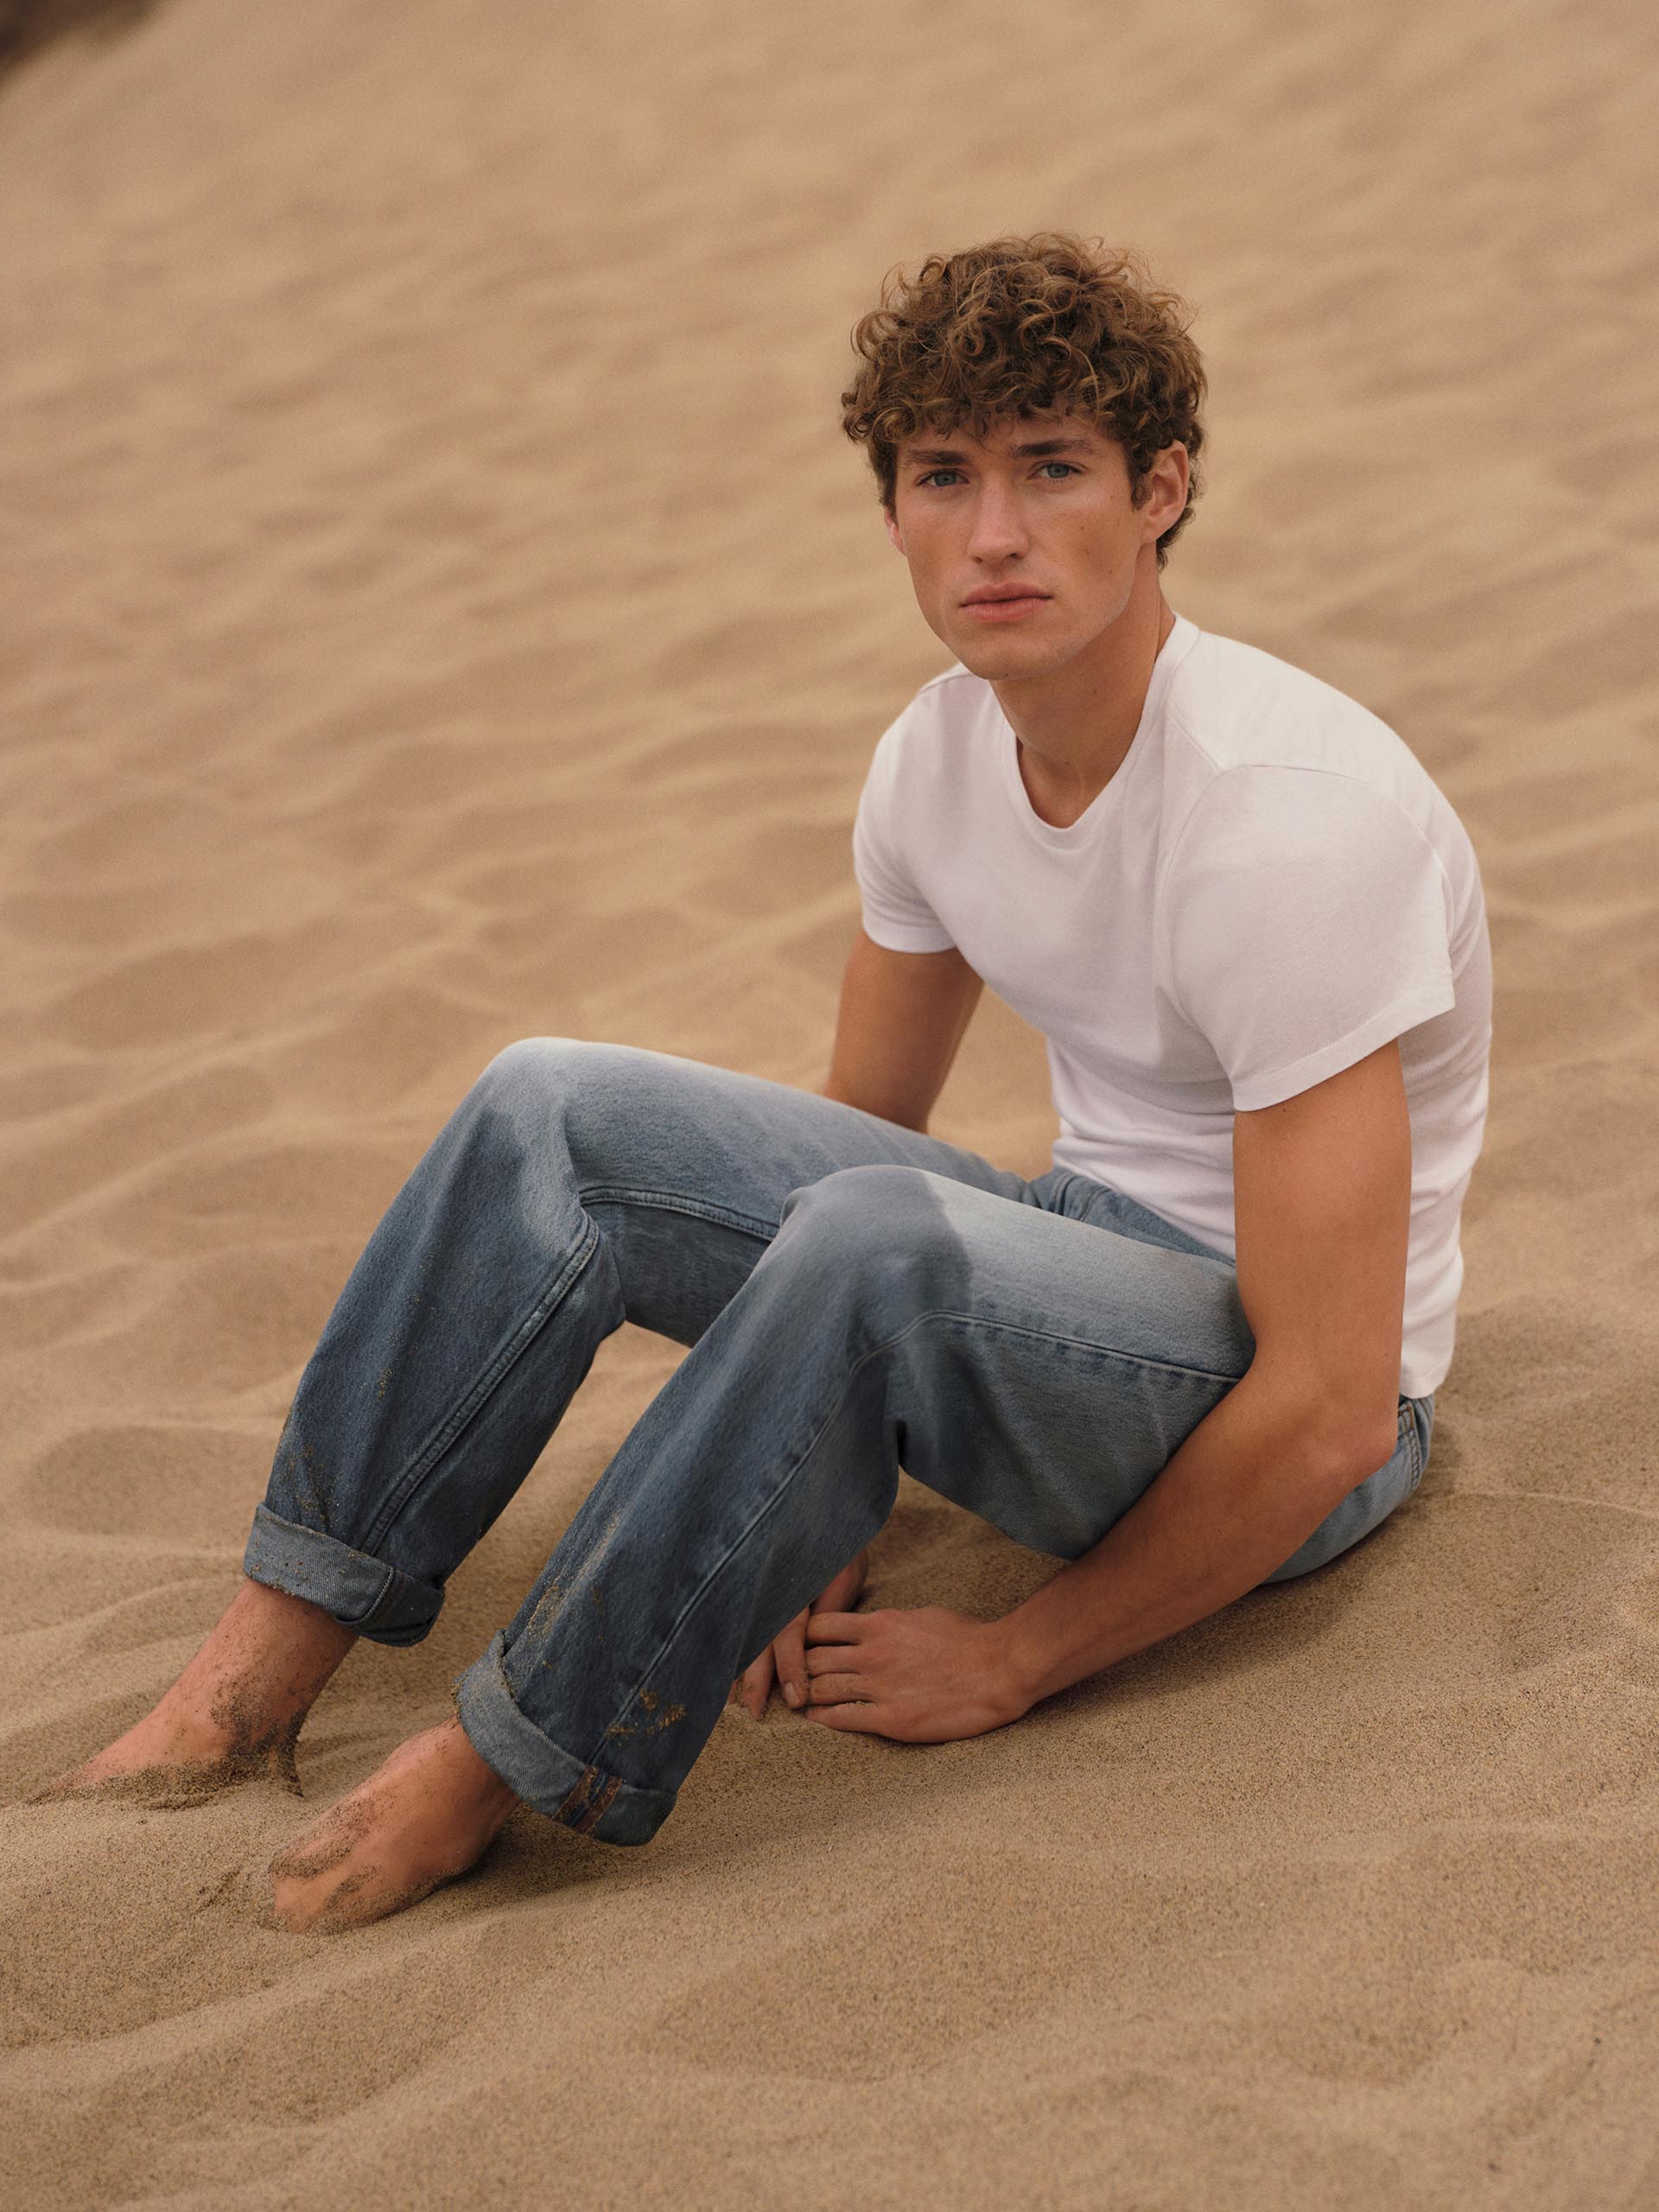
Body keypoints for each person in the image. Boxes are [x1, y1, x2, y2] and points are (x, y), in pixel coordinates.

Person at [34, 232, 1491, 1934]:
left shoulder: (1288, 819)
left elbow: (1325, 1406)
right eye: (944, 476)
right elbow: (857, 1148)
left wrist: (1018, 1653)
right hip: (1052, 1272)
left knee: (885, 1235)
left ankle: (500, 1763)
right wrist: (816, 1466)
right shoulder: (934, 764)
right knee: (548, 1104)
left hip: (1292, 1420)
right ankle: (245, 1683)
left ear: (1163, 488)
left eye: (1054, 469)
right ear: (892, 515)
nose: (996, 533)